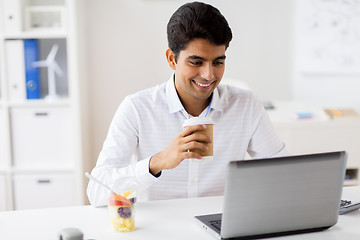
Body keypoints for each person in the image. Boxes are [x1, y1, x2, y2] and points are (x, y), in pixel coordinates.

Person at [87, 1, 288, 207]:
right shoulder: (137, 108)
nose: (209, 74)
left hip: (222, 229)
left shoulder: (246, 106)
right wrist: (158, 162)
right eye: (196, 62)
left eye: (218, 62)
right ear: (172, 59)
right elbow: (97, 193)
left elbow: (286, 174)